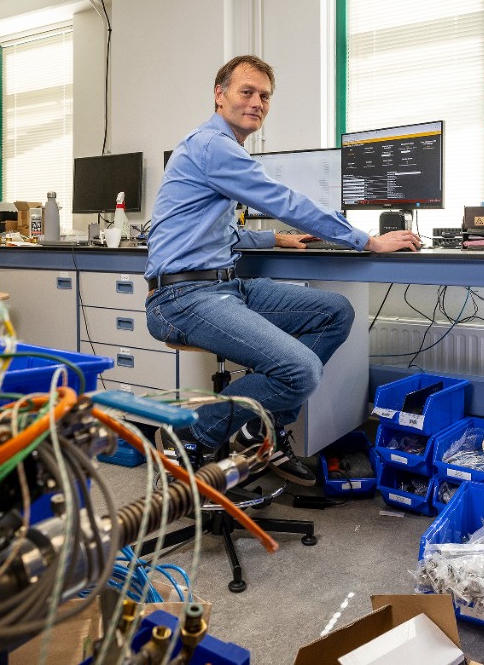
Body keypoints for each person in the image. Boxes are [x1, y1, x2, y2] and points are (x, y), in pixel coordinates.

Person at [145, 55, 421, 484]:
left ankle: (260, 429)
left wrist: (274, 238)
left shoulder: (219, 148)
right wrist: (364, 239)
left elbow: (220, 235)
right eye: (247, 92)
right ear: (219, 96)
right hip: (182, 298)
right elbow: (284, 201)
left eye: (265, 96)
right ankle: (193, 436)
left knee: (336, 312)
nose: (257, 102)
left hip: (223, 286)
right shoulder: (211, 145)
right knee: (301, 370)